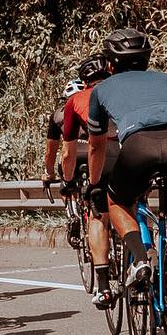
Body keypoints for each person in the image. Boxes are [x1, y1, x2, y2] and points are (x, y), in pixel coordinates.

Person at [66, 28, 167, 305]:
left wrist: (94, 184)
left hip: (139, 146)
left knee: (115, 203)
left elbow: (96, 145)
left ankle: (140, 258)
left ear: (111, 64)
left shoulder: (101, 90)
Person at [61, 54, 121, 308]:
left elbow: (67, 152)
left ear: (84, 79)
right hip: (133, 151)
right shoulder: (123, 89)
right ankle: (145, 251)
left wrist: (67, 180)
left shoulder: (75, 100)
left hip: (101, 154)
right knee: (131, 201)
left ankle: (104, 285)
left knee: (98, 216)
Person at [44, 78, 85, 190]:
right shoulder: (95, 108)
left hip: (72, 155)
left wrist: (49, 173)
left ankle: (72, 203)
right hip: (96, 152)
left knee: (66, 188)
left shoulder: (58, 115)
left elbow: (50, 151)